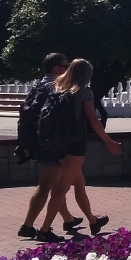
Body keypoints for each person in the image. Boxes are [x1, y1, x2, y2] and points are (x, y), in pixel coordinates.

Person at [37, 58, 121, 240]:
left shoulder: (57, 87)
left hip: (57, 143)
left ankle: (92, 220)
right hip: (75, 144)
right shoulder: (84, 91)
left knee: (79, 183)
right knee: (61, 189)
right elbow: (93, 119)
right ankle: (44, 230)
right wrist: (108, 142)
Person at [16, 53, 83, 241]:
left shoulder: (38, 85)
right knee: (49, 185)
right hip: (52, 143)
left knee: (55, 184)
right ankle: (29, 226)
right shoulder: (56, 87)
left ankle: (67, 218)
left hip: (39, 141)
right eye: (65, 65)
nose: (68, 68)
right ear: (56, 69)